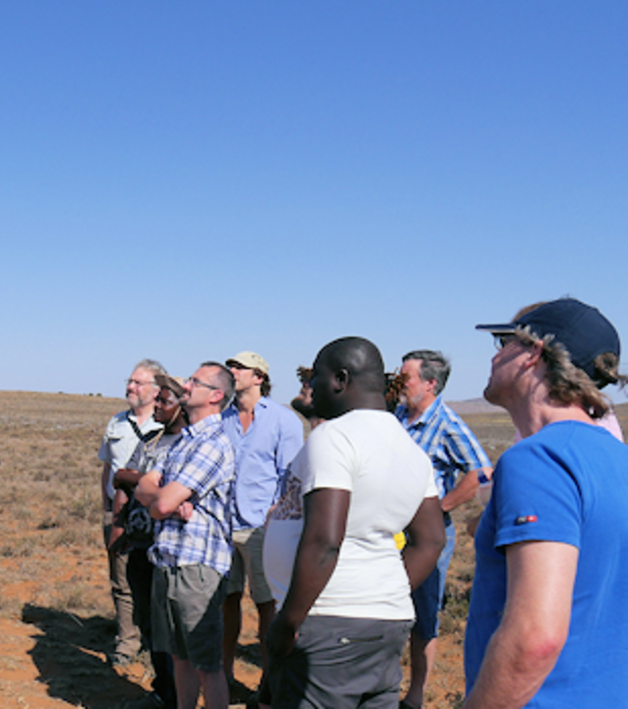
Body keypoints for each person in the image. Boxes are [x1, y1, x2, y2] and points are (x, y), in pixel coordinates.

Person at [262, 337, 445, 709]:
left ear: (341, 379)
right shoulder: (409, 449)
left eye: (317, 377)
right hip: (386, 621)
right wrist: (381, 594)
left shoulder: (334, 437)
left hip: (328, 622)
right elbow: (431, 540)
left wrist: (288, 622)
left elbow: (324, 540)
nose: (310, 387)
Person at [464, 298, 628, 708]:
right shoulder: (617, 458)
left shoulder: (539, 459)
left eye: (504, 342)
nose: (495, 355)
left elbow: (535, 640)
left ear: (534, 352)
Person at [391, 350, 492, 709]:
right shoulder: (396, 415)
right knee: (387, 607)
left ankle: (415, 695)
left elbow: (482, 472)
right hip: (390, 529)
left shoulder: (447, 423)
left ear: (430, 383)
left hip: (427, 537)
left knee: (424, 613)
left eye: (406, 378)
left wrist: (440, 509)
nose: (400, 384)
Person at [135, 362, 237, 709]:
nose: (186, 385)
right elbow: (144, 487)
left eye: (195, 381)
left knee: (206, 664)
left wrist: (164, 501)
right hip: (169, 560)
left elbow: (159, 503)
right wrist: (166, 500)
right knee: (180, 658)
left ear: (216, 395)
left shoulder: (213, 444)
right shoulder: (182, 442)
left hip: (197, 568)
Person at [220, 352, 304, 702]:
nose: (232, 371)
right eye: (231, 366)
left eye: (240, 367)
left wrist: (276, 514)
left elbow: (292, 475)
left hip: (261, 527)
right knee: (226, 600)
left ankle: (269, 684)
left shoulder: (283, 420)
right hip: (223, 525)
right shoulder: (221, 417)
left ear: (259, 377)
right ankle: (223, 676)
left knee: (267, 605)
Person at [112, 374, 188, 709]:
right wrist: (120, 527)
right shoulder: (151, 440)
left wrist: (142, 483)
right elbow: (120, 477)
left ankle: (179, 694)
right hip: (140, 541)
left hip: (172, 546)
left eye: (164, 401)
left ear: (182, 406)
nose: (156, 405)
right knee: (148, 620)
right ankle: (163, 691)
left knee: (171, 624)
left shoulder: (190, 443)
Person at [98, 360, 165, 666]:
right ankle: (127, 642)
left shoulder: (166, 424)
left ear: (155, 390)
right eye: (130, 381)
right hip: (117, 512)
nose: (130, 387)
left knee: (151, 579)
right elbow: (108, 468)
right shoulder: (117, 423)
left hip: (152, 515)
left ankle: (155, 641)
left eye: (138, 383)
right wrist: (106, 507)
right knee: (120, 580)